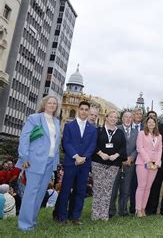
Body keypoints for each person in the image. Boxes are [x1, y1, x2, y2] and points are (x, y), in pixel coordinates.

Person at [15, 95, 61, 231]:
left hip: (50, 161)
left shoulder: (56, 122)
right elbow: (24, 138)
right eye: (50, 103)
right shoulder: (34, 118)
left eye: (54, 103)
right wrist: (24, 158)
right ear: (44, 104)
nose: (52, 105)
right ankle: (24, 225)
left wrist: (55, 163)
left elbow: (56, 143)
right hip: (34, 161)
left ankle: (32, 222)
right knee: (31, 192)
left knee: (40, 193)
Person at [57, 100, 97, 225]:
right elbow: (66, 143)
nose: (84, 111)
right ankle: (62, 216)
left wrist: (84, 157)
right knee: (66, 190)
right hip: (71, 162)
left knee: (80, 191)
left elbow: (92, 145)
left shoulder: (93, 129)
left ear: (88, 111)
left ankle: (75, 216)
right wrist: (76, 156)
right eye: (82, 109)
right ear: (78, 110)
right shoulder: (69, 125)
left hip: (84, 164)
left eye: (86, 109)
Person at [91, 110, 127, 221]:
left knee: (107, 190)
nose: (113, 119)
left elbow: (123, 147)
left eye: (115, 117)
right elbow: (92, 144)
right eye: (111, 117)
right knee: (98, 188)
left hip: (113, 165)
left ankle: (103, 215)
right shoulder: (98, 130)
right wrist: (101, 153)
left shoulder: (120, 132)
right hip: (98, 163)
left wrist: (116, 155)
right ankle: (95, 214)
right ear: (106, 118)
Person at [110, 111, 138, 218]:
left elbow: (137, 148)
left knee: (126, 189)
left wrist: (131, 158)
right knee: (114, 188)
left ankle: (123, 210)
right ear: (122, 118)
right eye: (126, 117)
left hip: (130, 164)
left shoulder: (136, 132)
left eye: (130, 117)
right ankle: (111, 210)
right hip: (117, 163)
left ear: (132, 119)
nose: (128, 119)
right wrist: (122, 158)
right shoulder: (116, 129)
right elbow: (113, 145)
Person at [135, 116, 162, 217]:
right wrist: (148, 161)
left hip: (154, 165)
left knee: (148, 187)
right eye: (149, 122)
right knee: (142, 186)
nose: (151, 124)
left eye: (153, 122)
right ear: (146, 123)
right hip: (143, 163)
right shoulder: (141, 133)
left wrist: (157, 163)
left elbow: (160, 150)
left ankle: (143, 208)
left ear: (155, 124)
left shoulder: (159, 136)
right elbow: (139, 148)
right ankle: (138, 209)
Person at [129, 108, 144, 214]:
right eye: (137, 113)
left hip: (142, 161)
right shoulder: (127, 126)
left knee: (138, 184)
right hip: (128, 159)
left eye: (140, 114)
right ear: (133, 115)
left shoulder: (146, 128)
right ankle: (125, 207)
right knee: (128, 185)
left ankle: (136, 207)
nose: (138, 115)